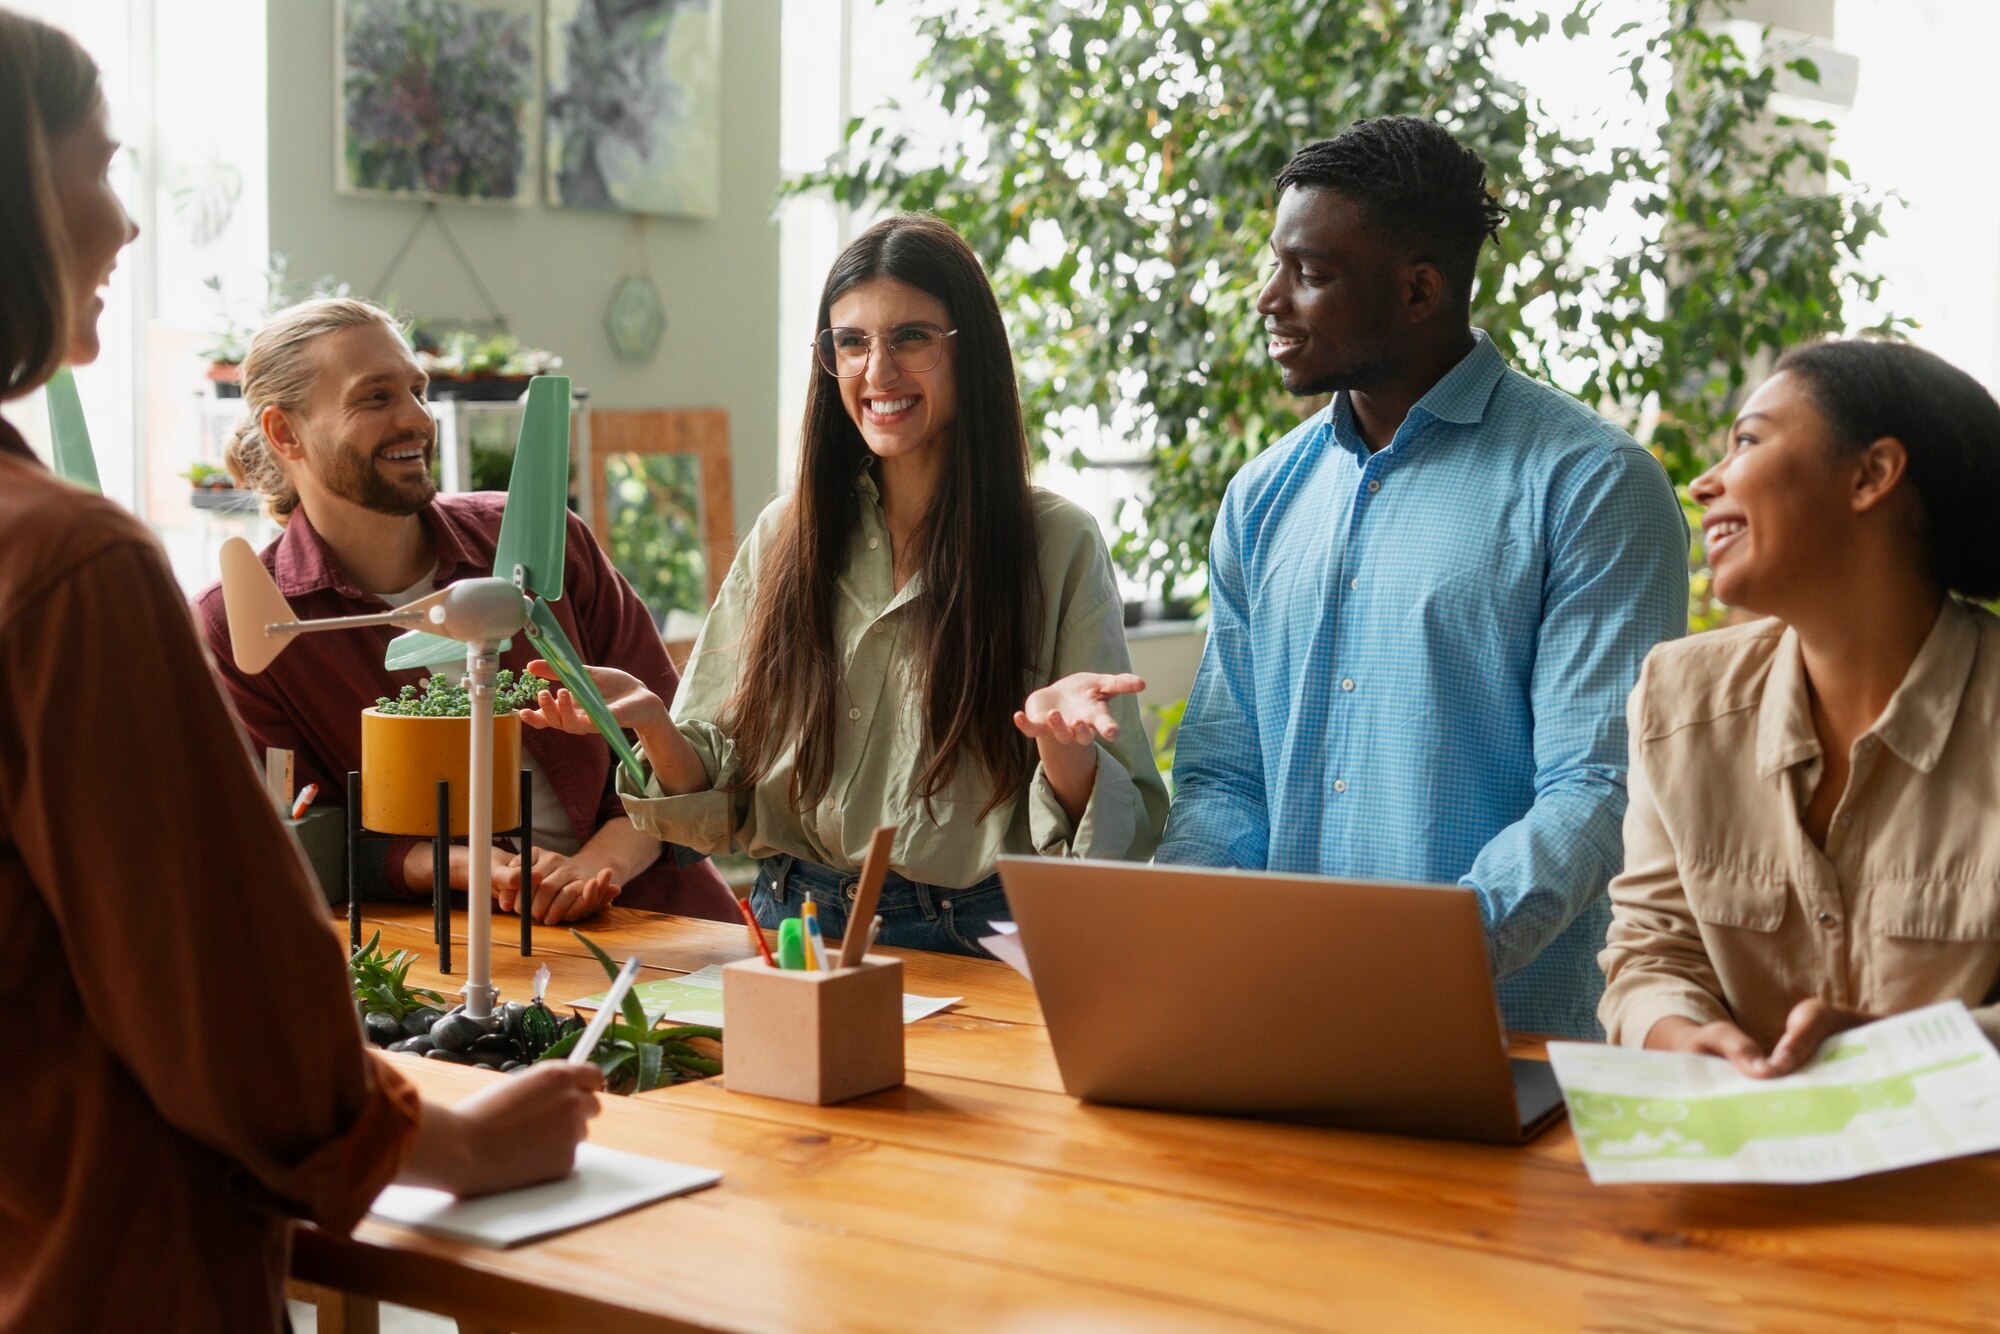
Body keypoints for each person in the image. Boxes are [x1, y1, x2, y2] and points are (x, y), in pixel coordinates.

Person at [0, 15, 600, 1329]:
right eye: (97, 169)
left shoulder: (523, 551)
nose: (126, 224)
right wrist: (452, 1145)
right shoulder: (68, 568)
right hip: (99, 1270)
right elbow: (214, 972)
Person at [1154, 118, 1689, 1039]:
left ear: (1419, 290)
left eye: (1310, 274)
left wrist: (1415, 962)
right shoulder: (1261, 497)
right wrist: (1181, 942)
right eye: (1274, 264)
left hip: (1502, 1038)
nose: (1266, 298)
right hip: (1278, 1026)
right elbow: (1224, 778)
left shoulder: (1594, 485)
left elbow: (1600, 785)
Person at [521, 213, 1169, 956]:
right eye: (852, 342)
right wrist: (652, 725)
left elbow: (1119, 834)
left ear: (972, 352)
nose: (878, 371)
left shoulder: (1056, 542)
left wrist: (1066, 747)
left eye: (913, 338)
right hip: (789, 923)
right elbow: (725, 791)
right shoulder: (786, 534)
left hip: (977, 938)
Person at [192, 296, 736, 923]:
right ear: (285, 432)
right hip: (451, 950)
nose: (416, 420)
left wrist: (595, 866)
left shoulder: (543, 539)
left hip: (657, 919)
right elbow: (301, 836)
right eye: (375, 398)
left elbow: (675, 738)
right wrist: (462, 865)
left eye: (417, 391)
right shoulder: (239, 626)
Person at [1599, 341, 2000, 1074]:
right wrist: (1681, 1033)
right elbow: (1652, 953)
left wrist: (1905, 1053)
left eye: (1747, 441)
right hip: (1742, 1169)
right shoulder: (1676, 698)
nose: (1702, 484)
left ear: (1871, 475)